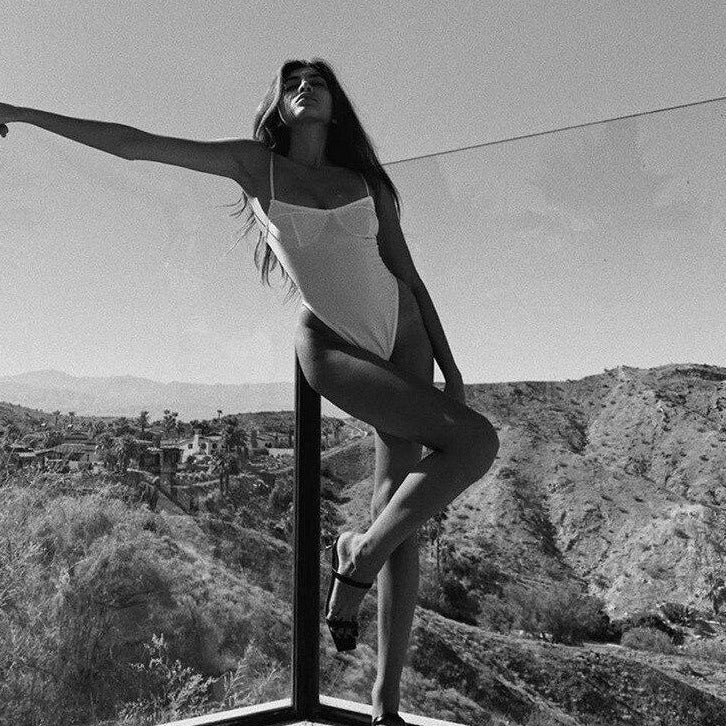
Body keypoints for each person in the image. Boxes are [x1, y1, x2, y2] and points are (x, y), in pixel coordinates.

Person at [0, 58, 499, 726]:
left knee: (397, 512)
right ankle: (356, 558)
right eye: (291, 83)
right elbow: (135, 144)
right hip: (333, 343)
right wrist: (22, 113)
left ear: (334, 103)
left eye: (316, 80)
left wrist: (451, 366)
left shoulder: (367, 182)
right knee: (475, 445)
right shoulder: (254, 166)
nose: (305, 87)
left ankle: (386, 698)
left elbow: (407, 273)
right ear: (279, 106)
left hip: (404, 332)